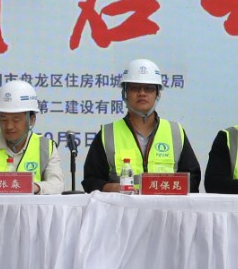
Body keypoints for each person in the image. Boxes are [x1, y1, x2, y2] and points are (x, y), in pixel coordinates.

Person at [79, 57, 203, 192]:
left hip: (166, 205)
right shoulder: (108, 134)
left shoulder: (175, 132)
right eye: (135, 88)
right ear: (125, 93)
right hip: (123, 205)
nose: (142, 93)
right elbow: (91, 180)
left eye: (149, 88)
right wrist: (116, 188)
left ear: (157, 94)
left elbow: (193, 178)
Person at [0, 80, 68, 194]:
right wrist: (9, 186)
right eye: (3, 119)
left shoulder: (46, 147)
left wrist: (35, 187)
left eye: (16, 120)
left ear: (31, 120)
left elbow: (57, 184)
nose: (9, 126)